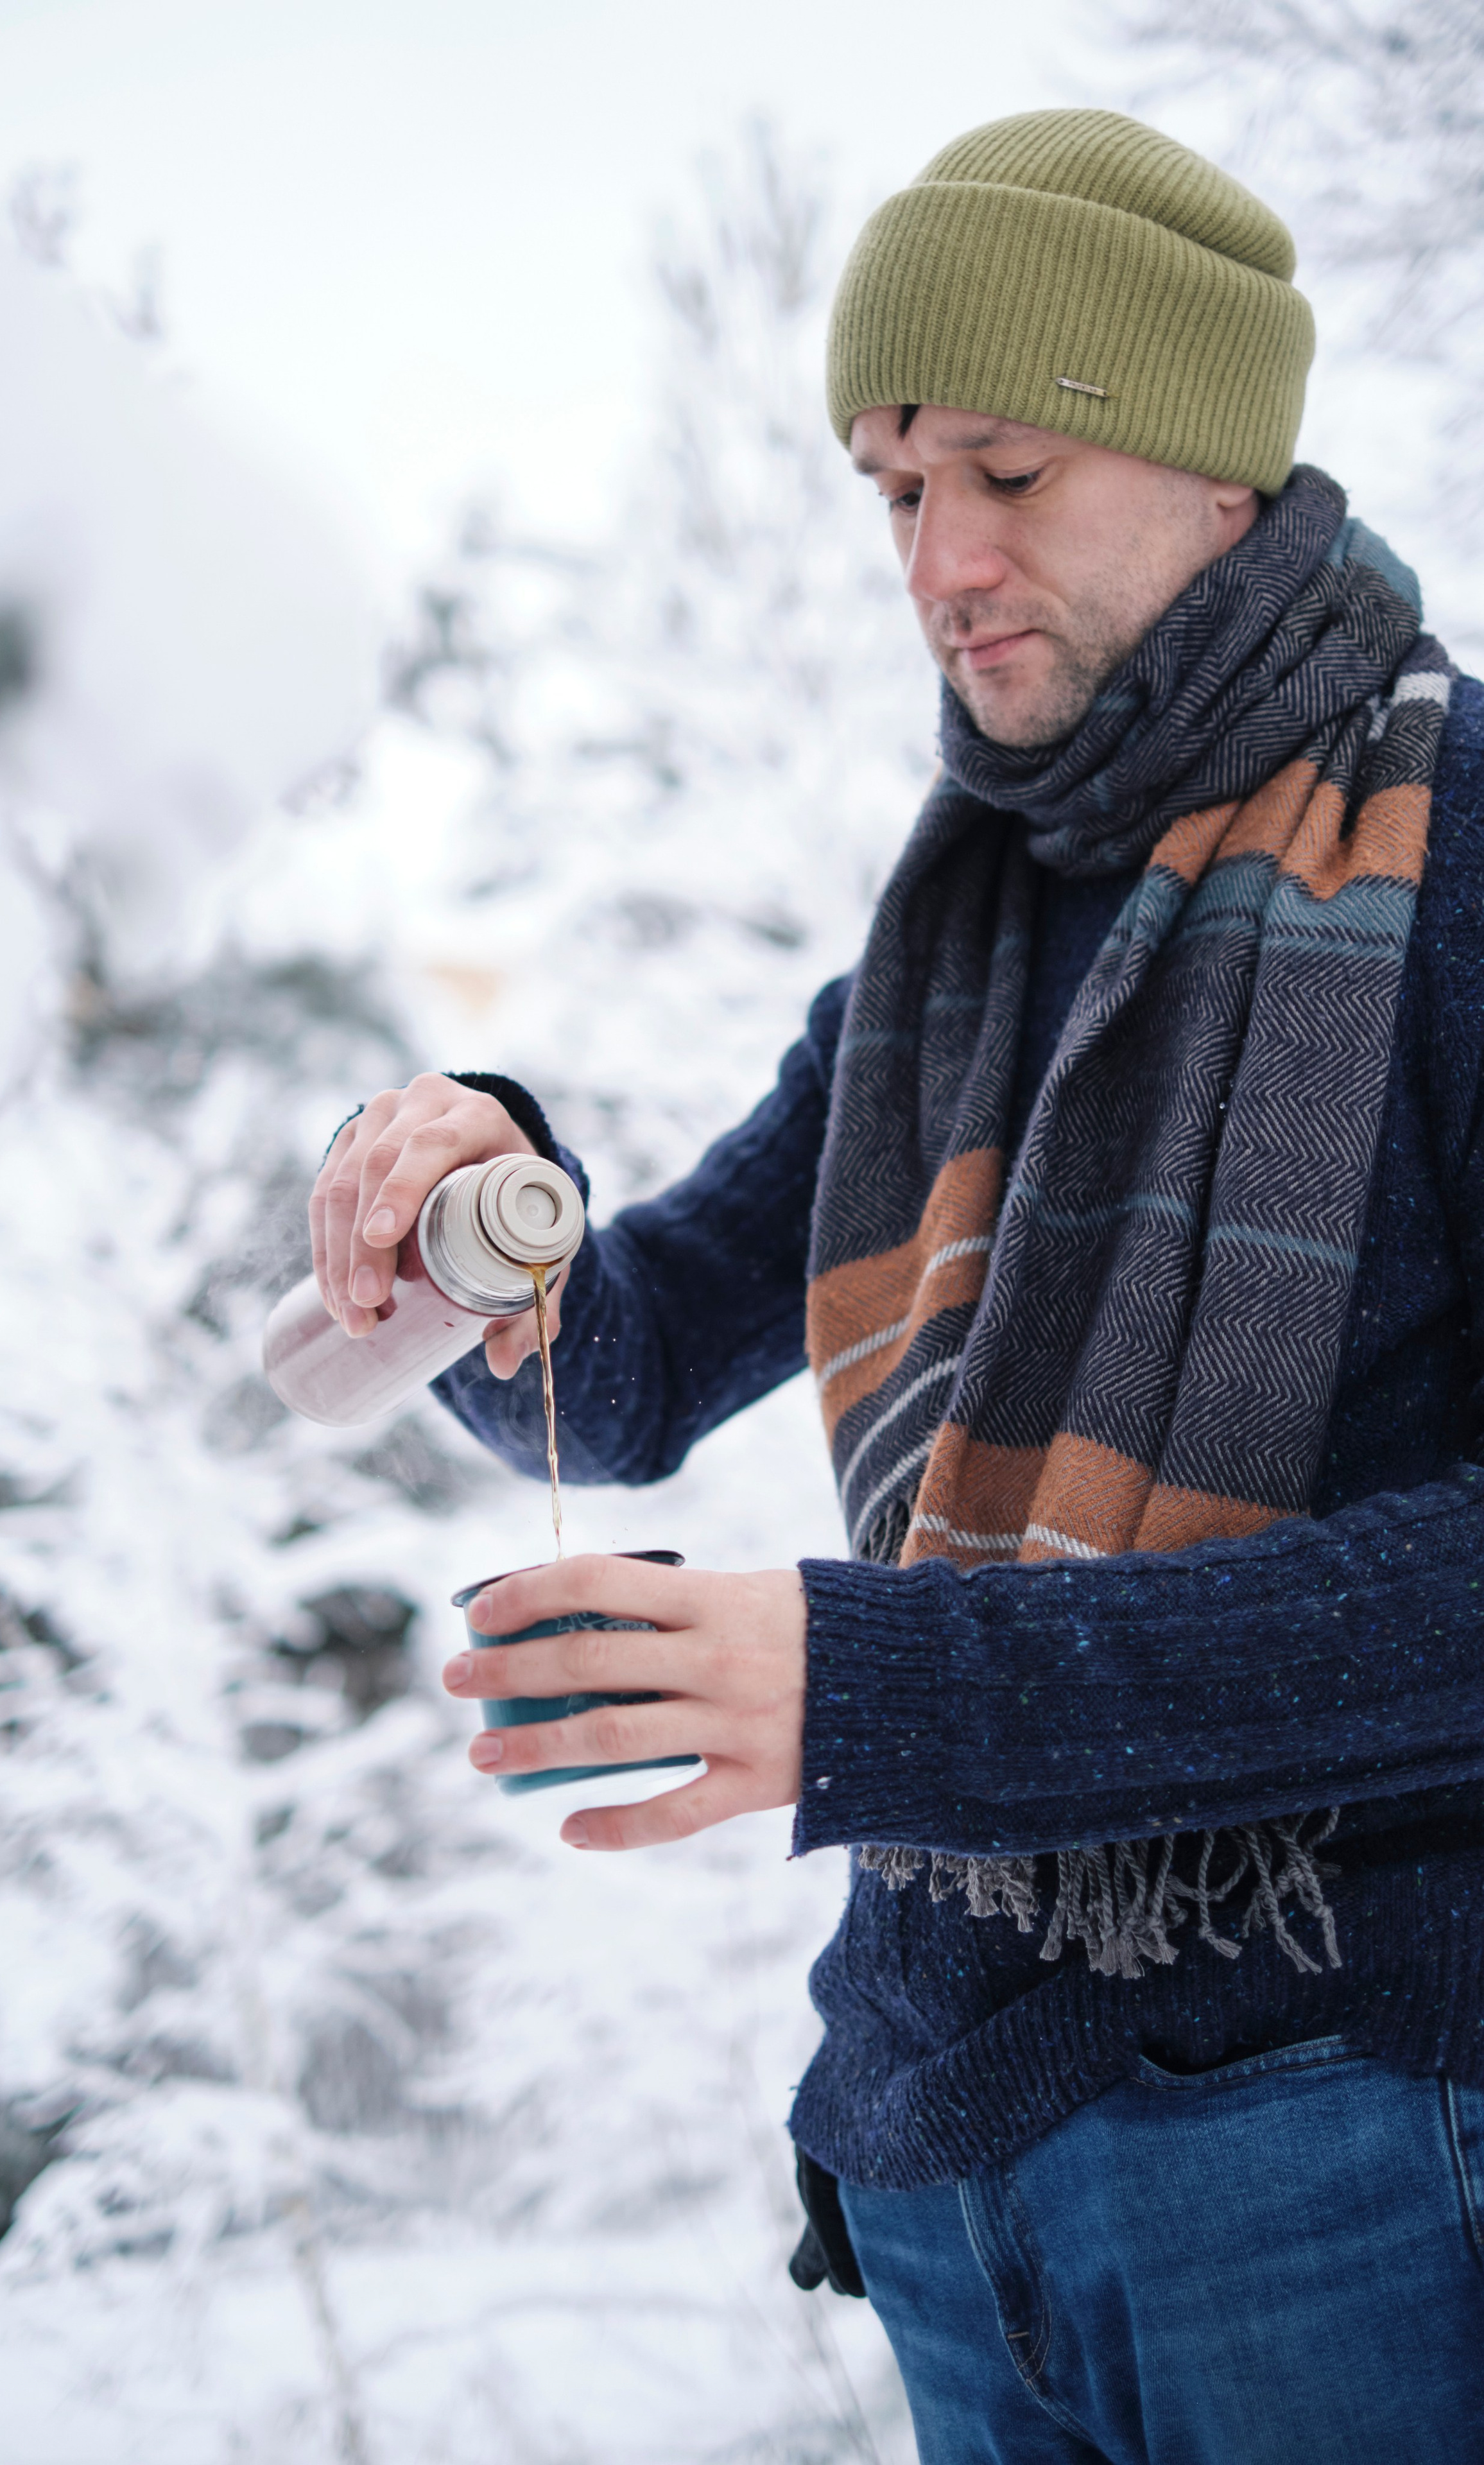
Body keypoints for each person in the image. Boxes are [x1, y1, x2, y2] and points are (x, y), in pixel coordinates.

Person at [309, 110, 1484, 2464]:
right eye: (890, 490)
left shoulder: (1452, 879)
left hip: (1342, 2152)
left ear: (1220, 469)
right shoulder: (949, 935)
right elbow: (623, 1358)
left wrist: (890, 1685)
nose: (935, 560)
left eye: (1007, 472)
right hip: (947, 2151)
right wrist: (474, 1193)